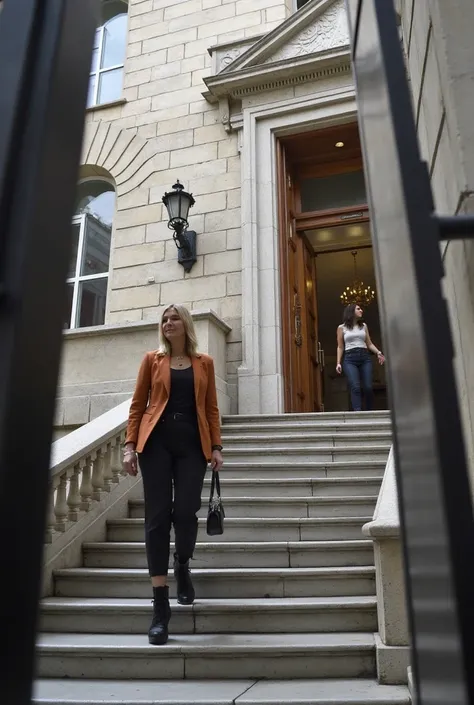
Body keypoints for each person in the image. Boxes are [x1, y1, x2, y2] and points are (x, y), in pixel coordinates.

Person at [122, 304, 223, 646]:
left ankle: (182, 563)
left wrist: (217, 446)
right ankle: (160, 608)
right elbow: (138, 404)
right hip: (156, 445)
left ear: (186, 324)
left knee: (186, 510)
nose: (168, 323)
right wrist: (129, 444)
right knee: (156, 518)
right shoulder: (152, 360)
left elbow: (210, 407)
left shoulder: (204, 362)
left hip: (193, 445)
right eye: (164, 319)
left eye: (174, 318)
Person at [336, 303, 385, 411]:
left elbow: (369, 343)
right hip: (350, 359)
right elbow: (340, 347)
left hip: (364, 357)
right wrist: (338, 363)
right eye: (358, 309)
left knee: (368, 387)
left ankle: (368, 411)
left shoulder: (364, 326)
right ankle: (357, 412)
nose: (361, 310)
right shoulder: (341, 328)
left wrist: (378, 352)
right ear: (351, 311)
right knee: (355, 387)